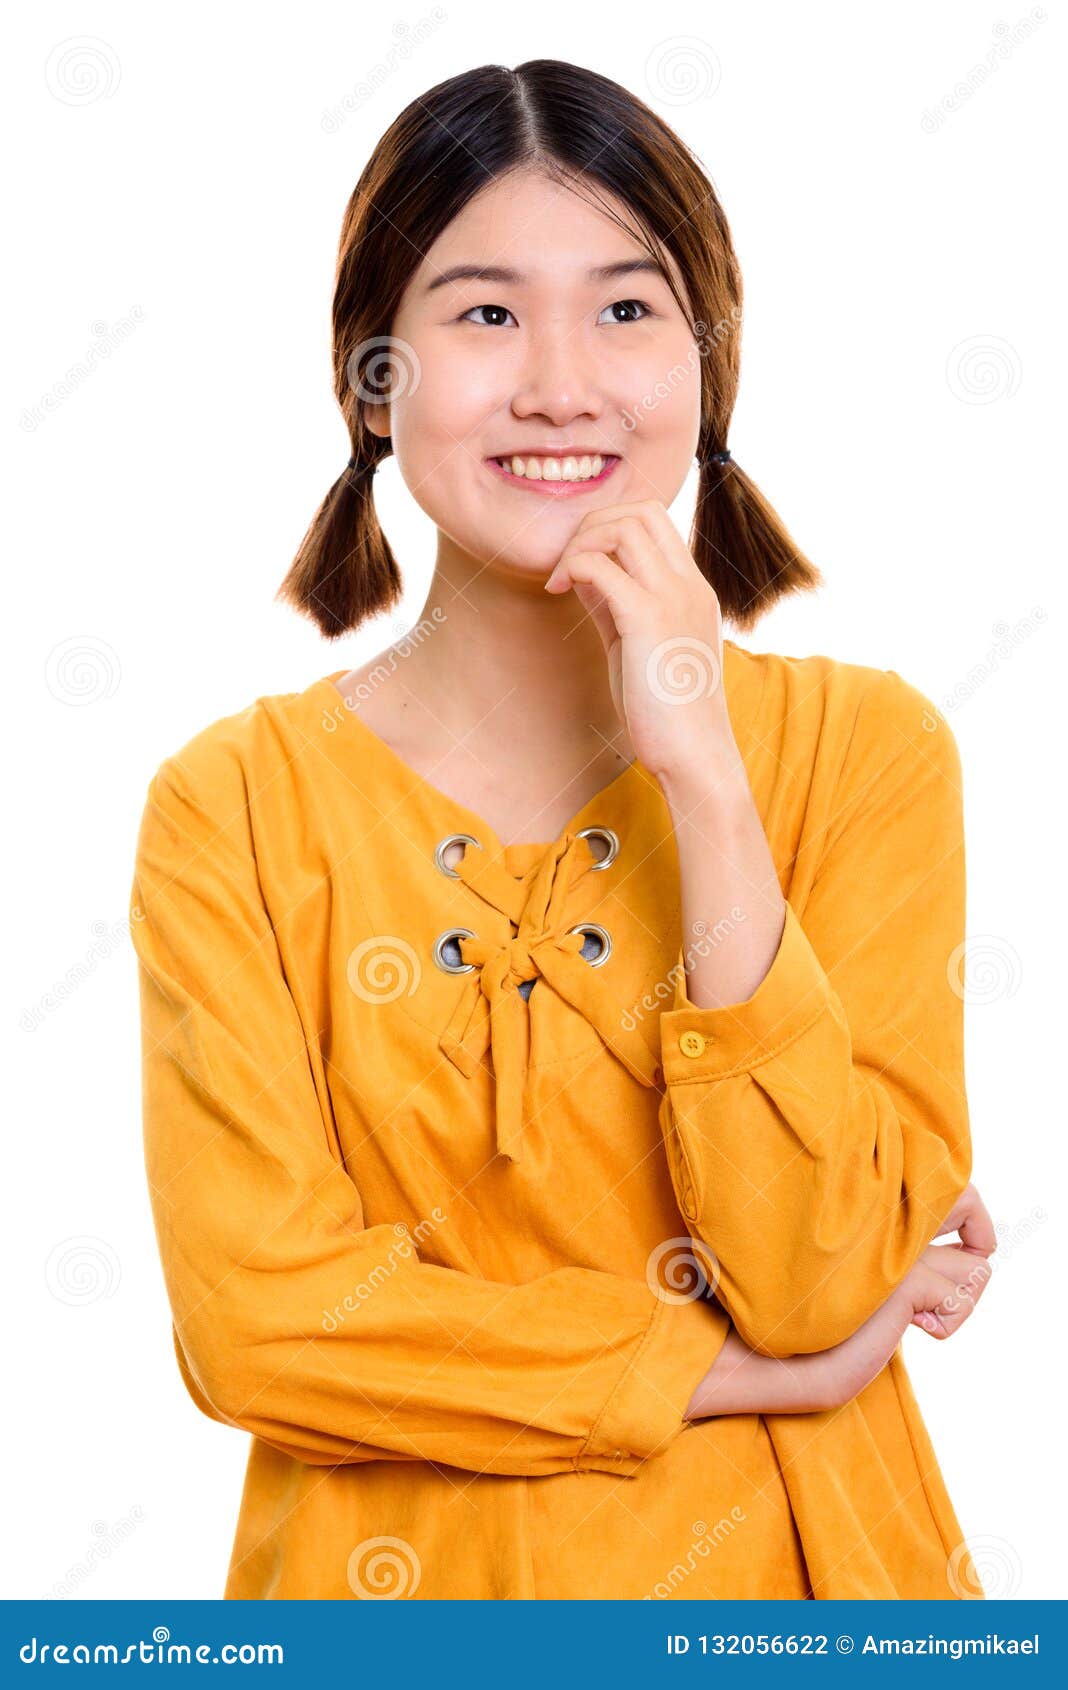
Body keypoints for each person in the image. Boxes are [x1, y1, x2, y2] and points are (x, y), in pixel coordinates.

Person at [131, 59, 994, 1602]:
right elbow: (258, 1321)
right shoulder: (235, 806)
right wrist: (734, 1373)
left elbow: (810, 1273)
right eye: (482, 312)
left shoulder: (863, 754)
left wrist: (705, 780)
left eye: (624, 308)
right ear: (370, 375)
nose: (559, 383)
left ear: (708, 363)